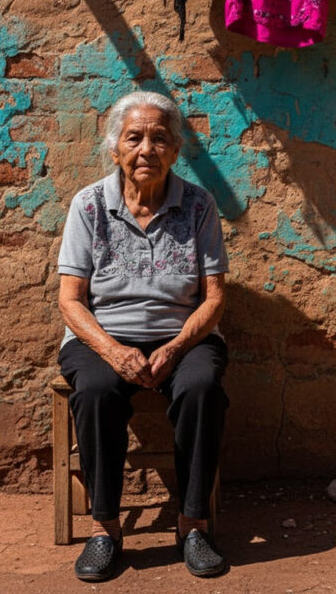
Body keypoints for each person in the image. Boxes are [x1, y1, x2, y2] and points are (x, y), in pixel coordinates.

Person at [57, 91, 229, 581]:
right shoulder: (88, 206)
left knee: (200, 388)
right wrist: (113, 352)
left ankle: (193, 524)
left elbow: (214, 297)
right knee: (94, 391)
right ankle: (104, 529)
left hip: (184, 334)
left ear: (176, 151)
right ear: (115, 149)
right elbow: (70, 300)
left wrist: (175, 348)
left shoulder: (199, 206)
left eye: (160, 139)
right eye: (134, 138)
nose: (146, 149)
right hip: (103, 337)